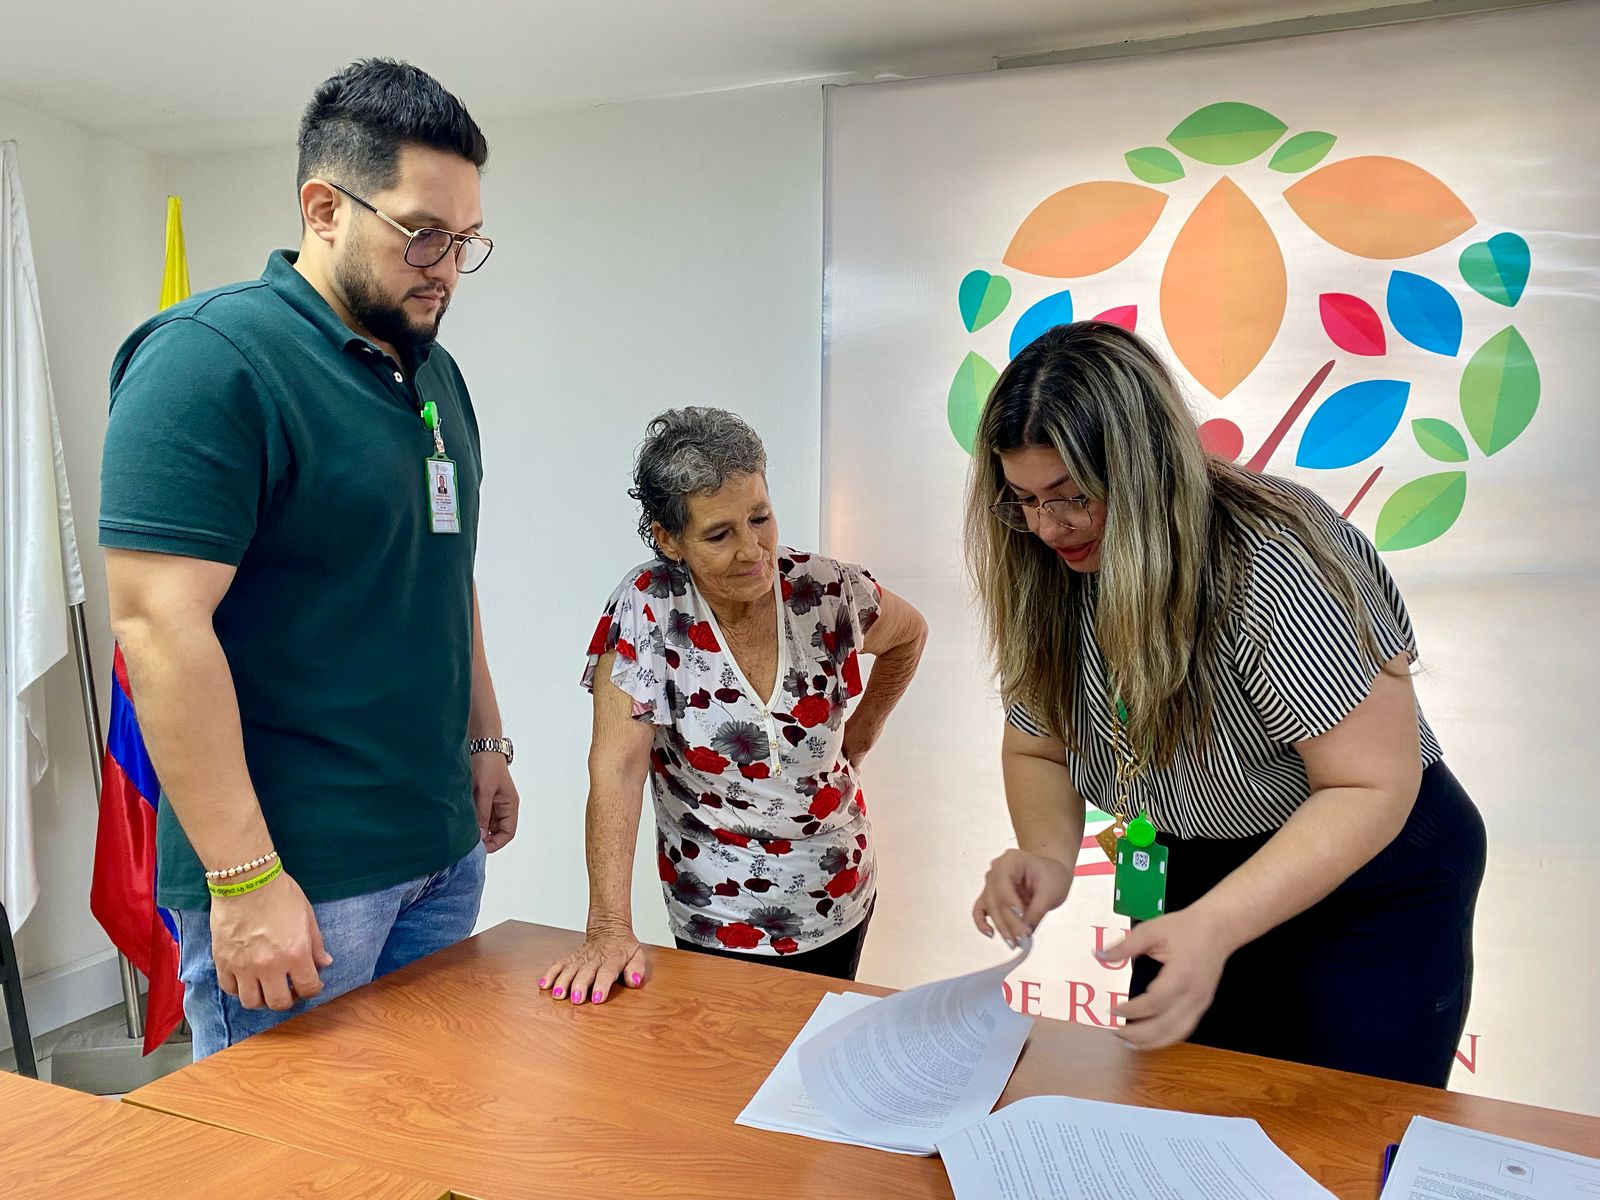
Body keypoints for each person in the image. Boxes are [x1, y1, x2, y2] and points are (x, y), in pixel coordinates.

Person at [100, 59, 519, 1058]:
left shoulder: (430, 372)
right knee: (295, 1167)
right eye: (422, 232)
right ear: (323, 207)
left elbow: (441, 570)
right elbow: (157, 623)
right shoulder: (211, 359)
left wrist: (485, 741)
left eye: (465, 240)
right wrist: (243, 879)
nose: (446, 264)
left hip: (438, 851)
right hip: (301, 879)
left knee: (419, 1135)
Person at [968, 322, 1485, 1087]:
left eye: (1074, 497)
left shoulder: (1273, 557)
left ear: (1146, 472)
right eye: (1024, 500)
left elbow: (1370, 784)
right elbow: (1037, 746)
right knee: (1181, 1104)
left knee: (1336, 1132)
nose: (1048, 528)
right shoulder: (1044, 570)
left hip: (1365, 871)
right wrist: (1046, 856)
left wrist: (1218, 923)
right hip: (1176, 857)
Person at [540, 408, 927, 1005]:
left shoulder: (826, 591)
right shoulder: (650, 608)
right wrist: (608, 929)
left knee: (810, 1069)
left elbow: (909, 635)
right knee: (730, 1072)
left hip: (837, 889)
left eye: (760, 518)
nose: (753, 549)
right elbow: (617, 768)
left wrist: (864, 733)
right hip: (718, 910)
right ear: (669, 540)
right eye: (720, 534)